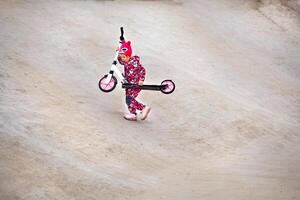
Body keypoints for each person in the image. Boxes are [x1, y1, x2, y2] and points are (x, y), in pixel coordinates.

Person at [117, 40, 151, 121]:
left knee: (129, 99)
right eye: (122, 57)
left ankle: (144, 108)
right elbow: (121, 60)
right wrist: (119, 50)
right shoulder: (126, 61)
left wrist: (141, 80)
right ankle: (133, 114)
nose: (122, 59)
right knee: (128, 99)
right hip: (129, 84)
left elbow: (142, 70)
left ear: (129, 56)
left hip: (136, 84)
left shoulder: (133, 63)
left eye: (124, 57)